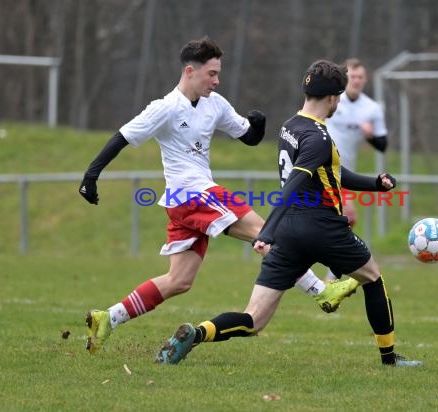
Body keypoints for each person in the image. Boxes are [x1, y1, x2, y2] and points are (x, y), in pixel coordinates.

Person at [79, 37, 359, 354]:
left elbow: (247, 136)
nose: (216, 80)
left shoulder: (215, 103)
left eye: (217, 73)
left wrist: (258, 125)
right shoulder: (165, 108)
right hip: (192, 194)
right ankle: (321, 291)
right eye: (211, 74)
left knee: (179, 280)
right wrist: (91, 175)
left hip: (189, 202)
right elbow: (122, 137)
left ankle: (108, 319)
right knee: (266, 232)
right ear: (190, 71)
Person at [156, 59, 422, 367]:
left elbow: (331, 172)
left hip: (289, 236)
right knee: (373, 279)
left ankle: (198, 332)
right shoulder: (319, 137)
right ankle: (390, 358)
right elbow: (294, 184)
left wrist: (375, 183)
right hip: (323, 228)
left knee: (253, 319)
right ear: (334, 98)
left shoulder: (291, 126)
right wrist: (265, 230)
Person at [323, 58, 388, 281]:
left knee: (346, 219)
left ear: (365, 79)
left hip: (343, 175)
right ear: (345, 78)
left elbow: (383, 144)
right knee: (339, 218)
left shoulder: (371, 108)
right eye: (352, 76)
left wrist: (369, 135)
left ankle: (330, 275)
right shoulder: (331, 101)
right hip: (320, 169)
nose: (356, 81)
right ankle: (325, 273)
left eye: (360, 77)